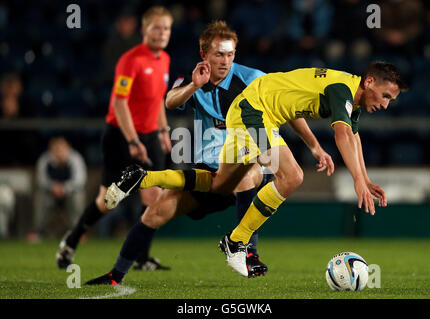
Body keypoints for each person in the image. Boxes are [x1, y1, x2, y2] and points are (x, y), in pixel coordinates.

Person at [84, 21, 334, 285]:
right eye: (218, 54)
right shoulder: (194, 79)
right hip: (208, 171)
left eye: (230, 54)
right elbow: (169, 100)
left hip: (249, 163)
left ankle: (247, 251)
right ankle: (115, 275)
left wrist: (315, 146)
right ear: (204, 55)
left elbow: (290, 110)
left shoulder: (253, 79)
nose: (225, 61)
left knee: (247, 171)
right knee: (155, 212)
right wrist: (194, 85)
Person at [104, 61, 407, 278]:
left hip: (250, 110)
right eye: (386, 96)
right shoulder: (342, 88)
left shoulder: (348, 95)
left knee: (220, 183)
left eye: (391, 100)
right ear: (369, 82)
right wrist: (356, 179)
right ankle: (236, 241)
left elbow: (353, 136)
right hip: (255, 110)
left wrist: (365, 178)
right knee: (292, 175)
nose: (386, 104)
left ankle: (141, 177)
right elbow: (341, 134)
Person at [56, 6, 173, 270]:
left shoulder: (164, 59)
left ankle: (141, 258)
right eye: (156, 27)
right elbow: (119, 104)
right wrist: (133, 142)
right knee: (108, 201)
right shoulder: (131, 60)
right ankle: (71, 241)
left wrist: (163, 131)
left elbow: (157, 101)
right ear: (144, 30)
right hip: (121, 135)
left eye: (166, 28)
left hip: (150, 134)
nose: (162, 32)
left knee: (154, 199)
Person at [31, 137, 87, 241]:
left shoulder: (75, 159)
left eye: (61, 149)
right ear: (51, 150)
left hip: (70, 194)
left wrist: (64, 188)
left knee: (78, 196)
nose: (59, 152)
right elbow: (41, 180)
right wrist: (53, 187)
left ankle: (77, 232)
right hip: (50, 194)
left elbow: (80, 181)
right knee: (40, 196)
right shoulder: (45, 159)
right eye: (56, 149)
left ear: (68, 148)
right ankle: (38, 231)